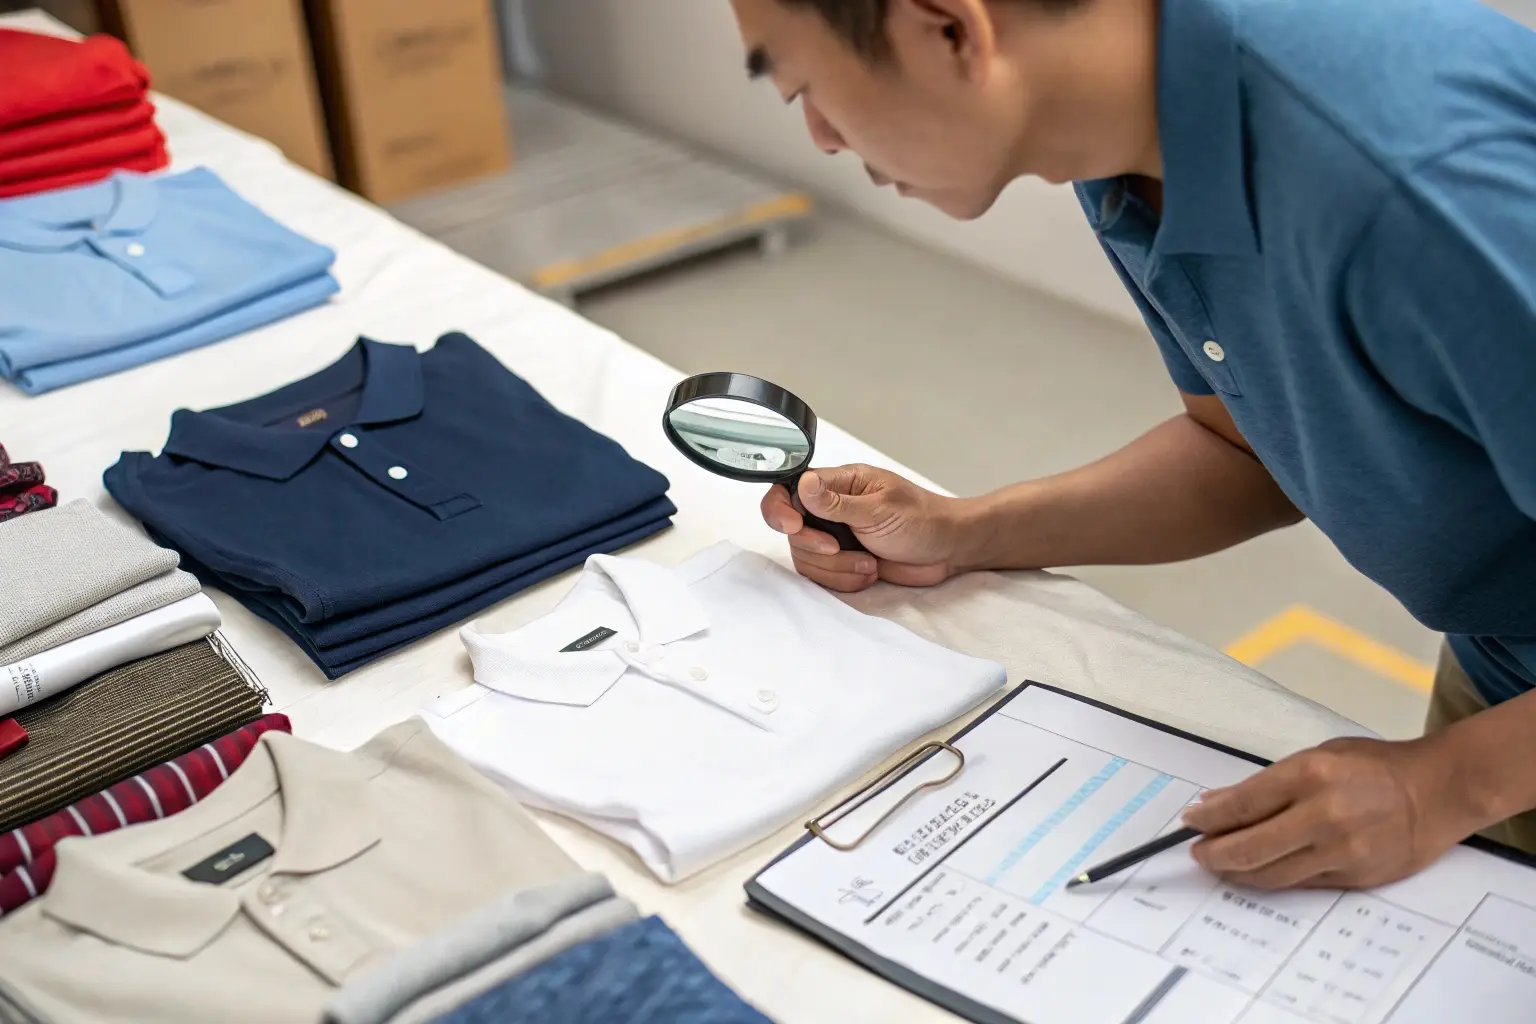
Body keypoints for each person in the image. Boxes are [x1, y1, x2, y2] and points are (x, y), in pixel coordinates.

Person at [729, 0, 1536, 889]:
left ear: (949, 29)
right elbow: (1245, 452)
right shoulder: (1130, 151)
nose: (822, 136)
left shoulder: (1410, 184)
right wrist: (961, 531)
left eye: (804, 86)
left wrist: (1448, 785)